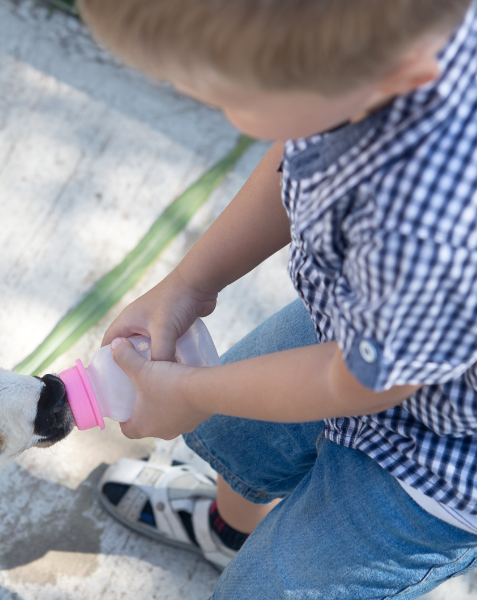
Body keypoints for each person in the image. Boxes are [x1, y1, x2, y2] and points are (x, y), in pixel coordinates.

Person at [77, 0, 477, 597]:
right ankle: (226, 532)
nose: (225, 113)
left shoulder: (429, 225)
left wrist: (187, 392)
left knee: (272, 587)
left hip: (446, 452)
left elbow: (362, 382)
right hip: (368, 329)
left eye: (234, 98)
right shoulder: (360, 67)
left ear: (398, 76)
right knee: (236, 435)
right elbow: (297, 154)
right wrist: (191, 280)